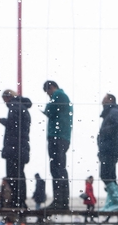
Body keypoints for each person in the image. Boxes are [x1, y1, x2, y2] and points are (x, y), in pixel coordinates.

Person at [0, 89, 32, 208]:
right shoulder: (22, 107)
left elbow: (13, 125)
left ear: (8, 97)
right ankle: (20, 201)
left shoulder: (14, 107)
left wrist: (4, 121)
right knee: (19, 174)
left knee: (13, 175)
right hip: (21, 147)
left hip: (14, 147)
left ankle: (17, 201)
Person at [42, 80, 73, 210]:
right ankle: (62, 201)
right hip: (63, 137)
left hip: (57, 136)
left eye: (48, 92)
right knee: (60, 168)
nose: (48, 95)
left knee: (56, 169)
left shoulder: (58, 95)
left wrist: (48, 107)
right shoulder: (63, 97)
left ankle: (59, 202)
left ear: (51, 87)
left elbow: (49, 110)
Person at [98, 93, 118, 212]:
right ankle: (112, 202)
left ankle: (117, 202)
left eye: (104, 98)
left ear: (110, 100)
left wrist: (103, 133)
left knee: (105, 174)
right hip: (108, 148)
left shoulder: (114, 111)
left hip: (110, 148)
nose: (102, 101)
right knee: (111, 176)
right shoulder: (109, 113)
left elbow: (117, 126)